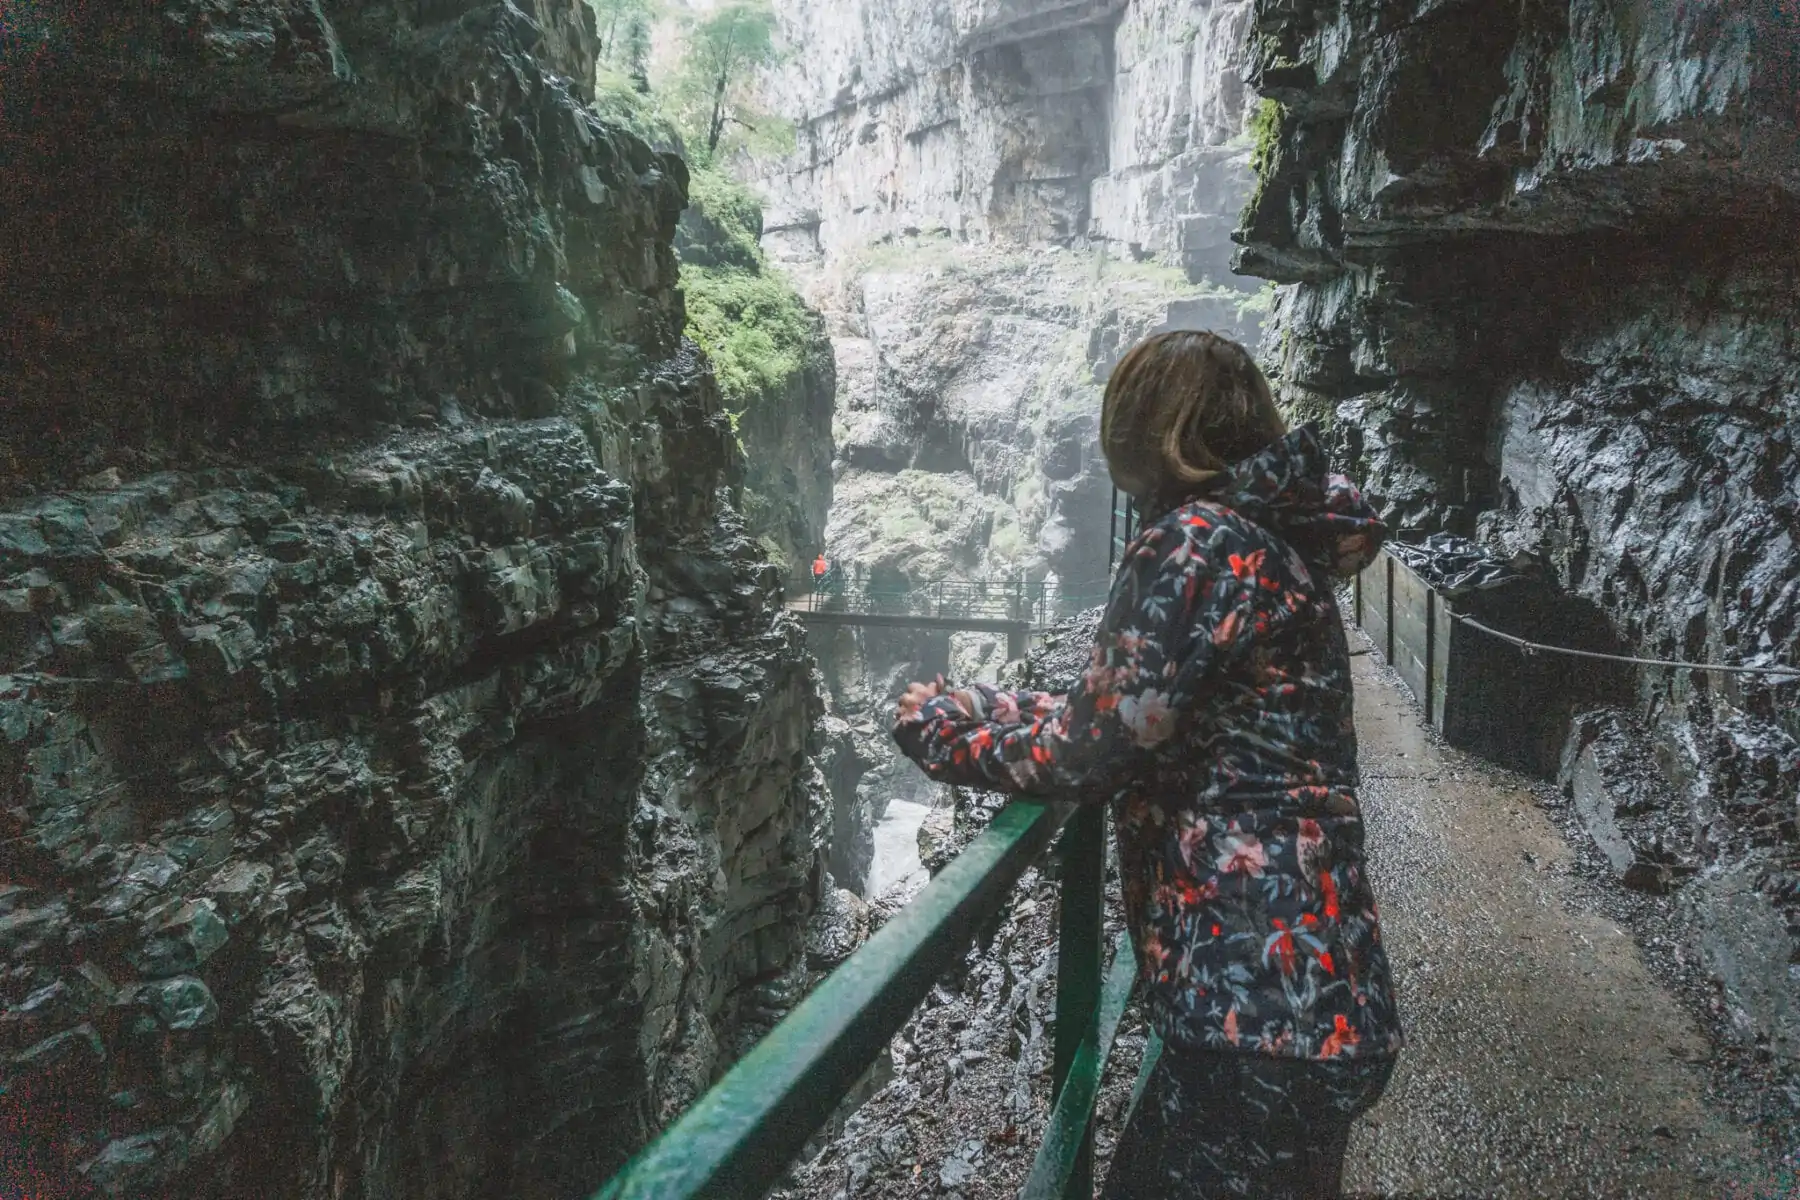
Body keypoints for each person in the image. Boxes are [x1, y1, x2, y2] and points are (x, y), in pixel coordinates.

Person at [892, 330, 1401, 1198]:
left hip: (1253, 1006)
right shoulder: (1270, 539)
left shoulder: (1199, 544)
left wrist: (945, 734)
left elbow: (1092, 754)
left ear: (1147, 431)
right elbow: (1138, 710)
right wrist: (992, 705)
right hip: (1313, 992)